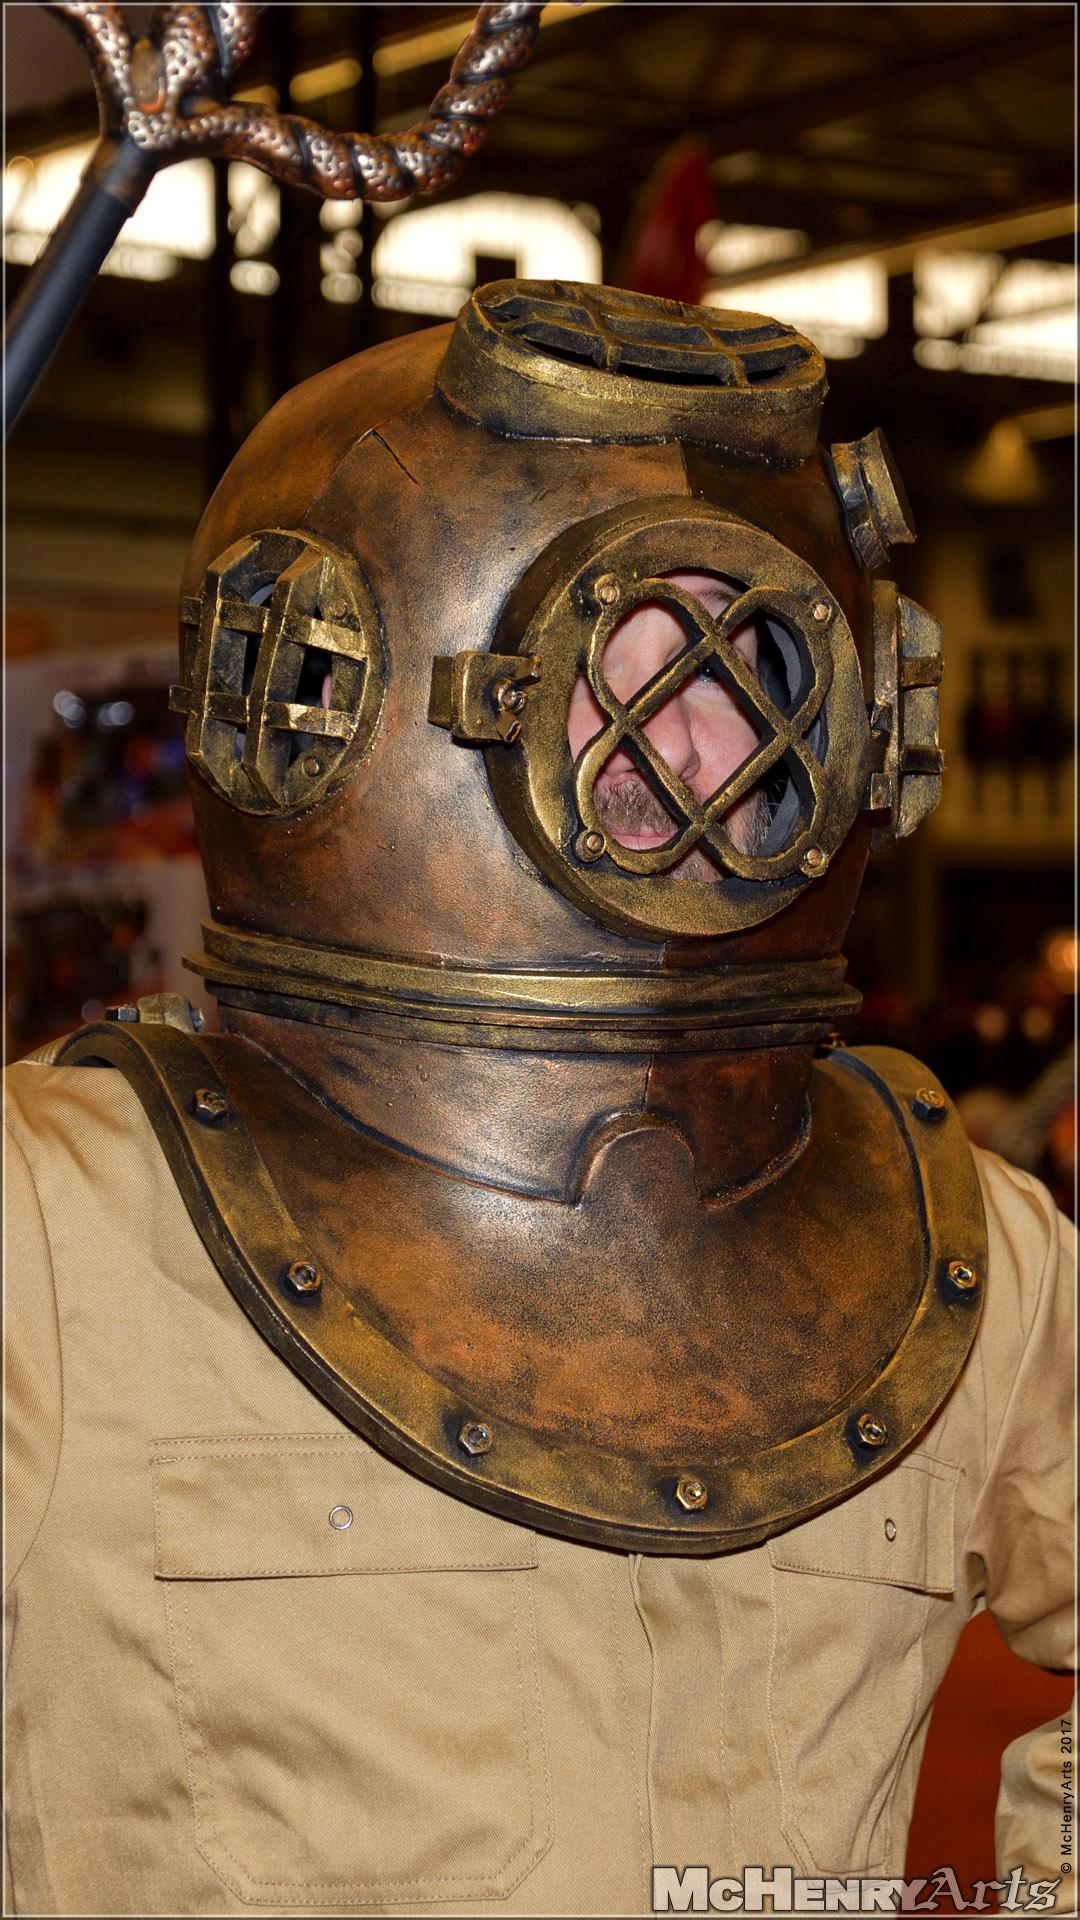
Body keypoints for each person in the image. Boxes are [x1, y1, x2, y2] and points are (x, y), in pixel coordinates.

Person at [5, 279, 1075, 1917]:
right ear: (325, 698)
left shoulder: (970, 1253)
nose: (680, 743)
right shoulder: (53, 1239)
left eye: (742, 658)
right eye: (607, 653)